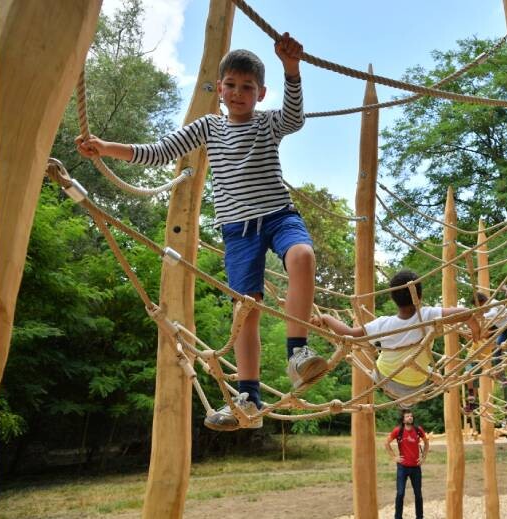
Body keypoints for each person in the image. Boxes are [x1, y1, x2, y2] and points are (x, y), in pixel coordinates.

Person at [76, 33, 329, 431]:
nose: (239, 93)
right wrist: (106, 147)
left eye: (248, 87)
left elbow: (295, 118)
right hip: (237, 231)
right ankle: (247, 397)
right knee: (245, 310)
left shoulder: (267, 123)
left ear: (261, 93)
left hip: (279, 215)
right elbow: (159, 151)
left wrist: (291, 70)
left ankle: (298, 352)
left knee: (302, 256)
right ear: (220, 89)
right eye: (231, 85)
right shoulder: (209, 128)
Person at [312, 270, 480, 401]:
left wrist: (326, 317)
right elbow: (466, 313)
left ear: (393, 299)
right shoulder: (428, 315)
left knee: (393, 361)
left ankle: (427, 376)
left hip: (385, 379)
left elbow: (349, 334)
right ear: (419, 296)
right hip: (417, 385)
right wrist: (474, 327)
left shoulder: (383, 324)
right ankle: (430, 374)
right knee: (417, 359)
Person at [385, 409, 429, 519]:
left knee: (418, 494)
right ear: (403, 420)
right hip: (402, 468)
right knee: (400, 494)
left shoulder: (418, 430)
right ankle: (398, 517)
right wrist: (394, 457)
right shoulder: (398, 431)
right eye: (407, 416)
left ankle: (420, 517)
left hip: (415, 467)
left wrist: (423, 456)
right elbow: (386, 443)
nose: (410, 417)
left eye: (411, 416)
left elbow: (426, 442)